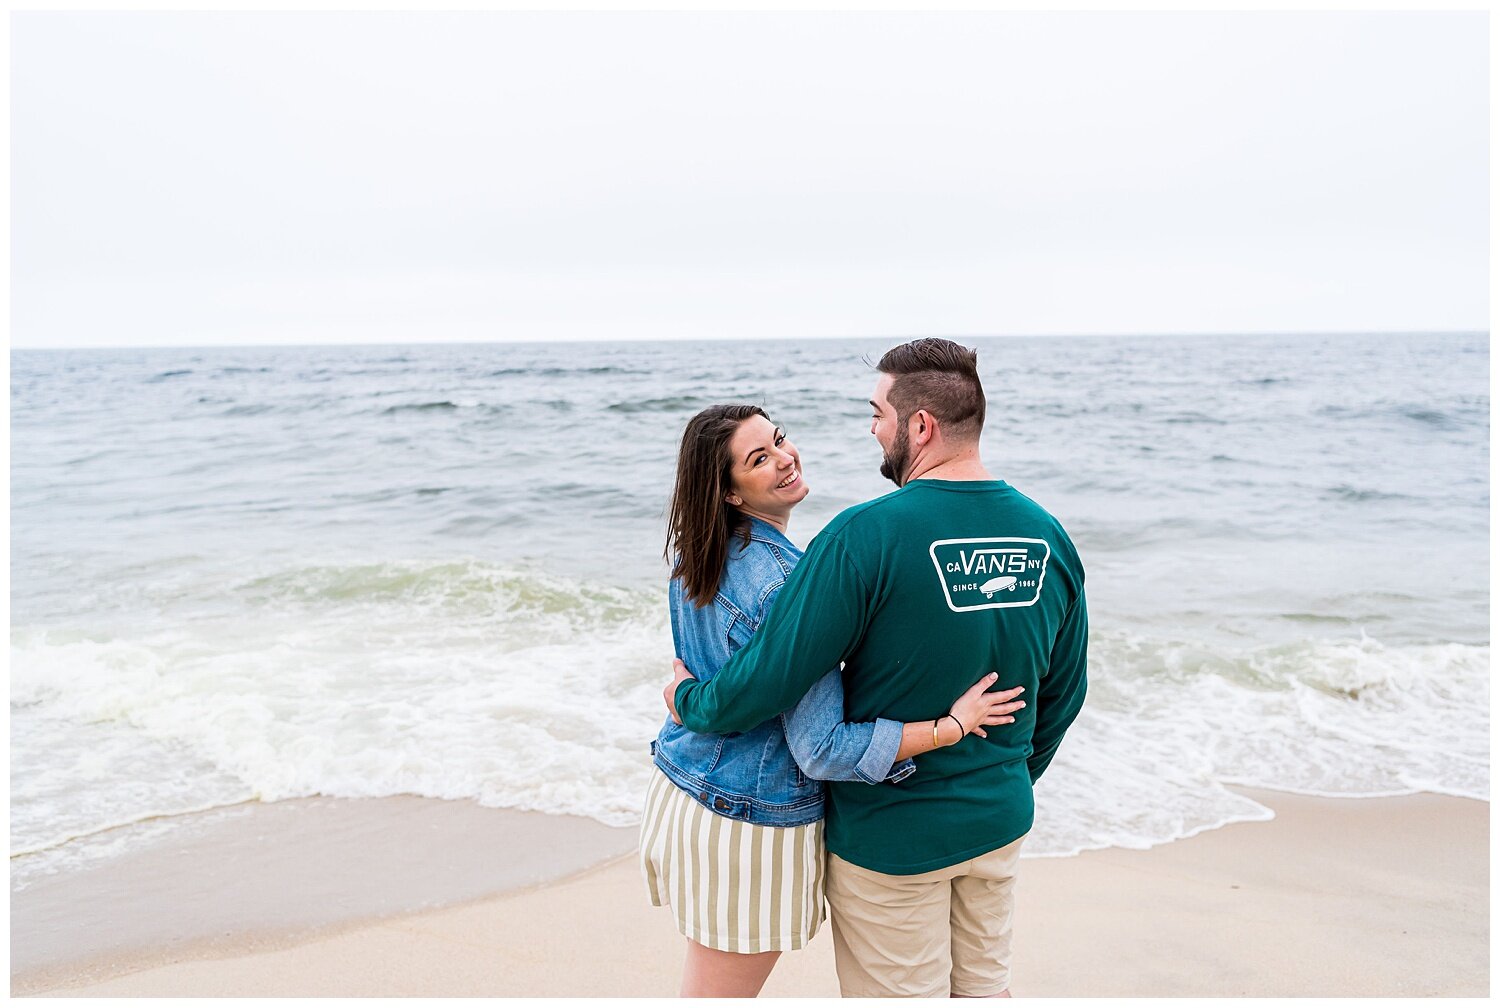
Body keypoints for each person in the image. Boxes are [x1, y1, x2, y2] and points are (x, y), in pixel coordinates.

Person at [665, 339, 1088, 998]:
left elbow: (771, 678)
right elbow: (1064, 692)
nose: (872, 430)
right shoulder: (1049, 534)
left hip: (892, 839)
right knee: (985, 991)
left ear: (920, 426)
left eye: (877, 414)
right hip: (999, 818)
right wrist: (999, 775)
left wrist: (689, 701)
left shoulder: (860, 536)